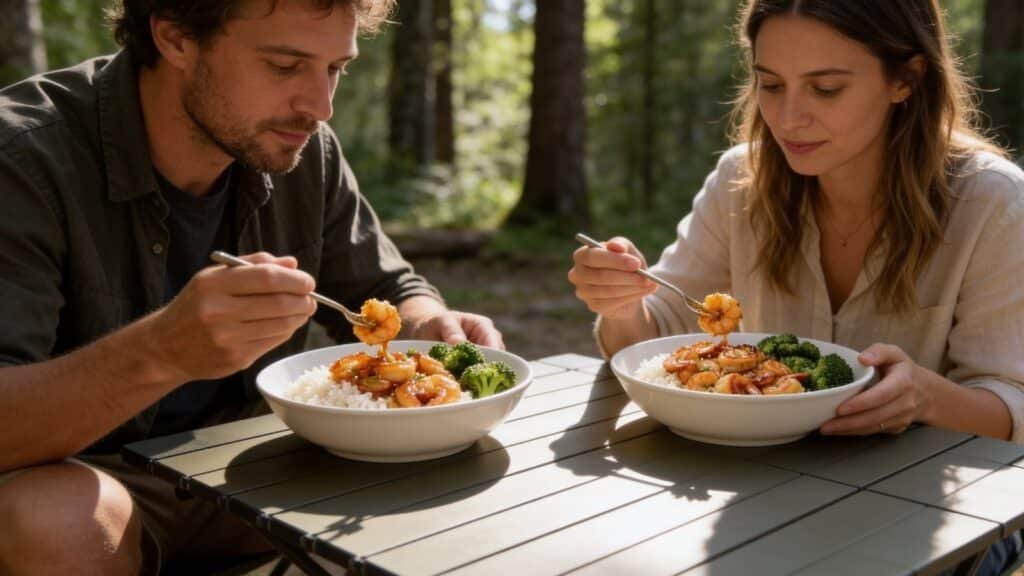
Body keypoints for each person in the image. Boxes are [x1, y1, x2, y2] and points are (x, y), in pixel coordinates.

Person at [0, 0, 503, 573]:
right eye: (286, 66)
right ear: (176, 37)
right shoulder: (23, 157)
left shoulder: (301, 148)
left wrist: (423, 322)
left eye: (335, 68)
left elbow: (385, 284)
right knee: (58, 520)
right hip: (90, 483)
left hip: (258, 470)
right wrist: (159, 352)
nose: (320, 106)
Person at [572, 0, 1024, 571]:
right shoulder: (742, 179)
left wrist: (925, 397)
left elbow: (1014, 413)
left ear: (905, 79)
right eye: (770, 84)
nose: (788, 119)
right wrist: (618, 302)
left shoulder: (993, 203)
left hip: (949, 518)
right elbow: (653, 333)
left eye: (826, 89)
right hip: (763, 498)